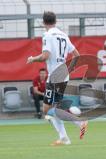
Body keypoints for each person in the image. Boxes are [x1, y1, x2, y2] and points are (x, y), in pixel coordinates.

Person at [27, 11, 87, 145]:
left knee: (47, 110)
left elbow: (45, 56)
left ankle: (78, 122)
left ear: (43, 23)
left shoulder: (47, 35)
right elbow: (77, 55)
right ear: (56, 21)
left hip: (54, 76)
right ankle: (64, 138)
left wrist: (32, 59)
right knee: (56, 109)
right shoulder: (64, 35)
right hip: (63, 76)